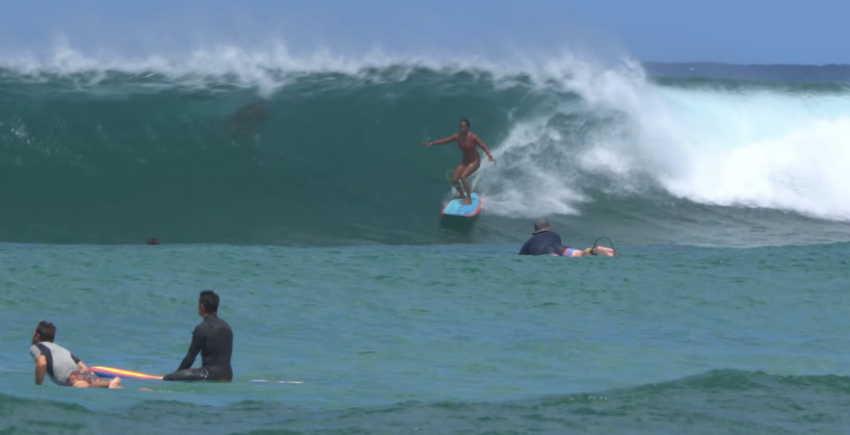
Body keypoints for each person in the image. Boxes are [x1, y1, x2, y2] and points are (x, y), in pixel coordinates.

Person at [163, 290, 233, 382]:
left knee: (168, 378)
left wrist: (175, 376)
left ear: (202, 307)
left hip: (209, 374)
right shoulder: (226, 326)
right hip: (228, 376)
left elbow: (190, 358)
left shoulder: (202, 328)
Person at [29, 321, 122, 388]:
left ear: (37, 336)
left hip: (71, 377)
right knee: (113, 387)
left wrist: (38, 386)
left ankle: (109, 383)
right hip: (84, 373)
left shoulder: (37, 346)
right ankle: (111, 383)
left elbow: (42, 363)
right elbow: (84, 367)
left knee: (84, 386)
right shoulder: (62, 349)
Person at [423, 118, 495, 205]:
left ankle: (469, 199)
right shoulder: (457, 137)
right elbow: (445, 141)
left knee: (463, 176)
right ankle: (461, 194)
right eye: (460, 126)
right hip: (465, 162)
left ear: (468, 128)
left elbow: (483, 146)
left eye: (463, 127)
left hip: (474, 161)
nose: (461, 128)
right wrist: (432, 143)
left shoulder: (473, 137)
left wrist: (489, 155)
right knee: (454, 181)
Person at [518, 218, 616, 257]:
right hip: (558, 249)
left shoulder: (528, 243)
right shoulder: (555, 235)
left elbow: (521, 258)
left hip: (542, 253)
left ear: (536, 231)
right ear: (549, 228)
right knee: (580, 254)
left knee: (552, 256)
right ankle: (594, 250)